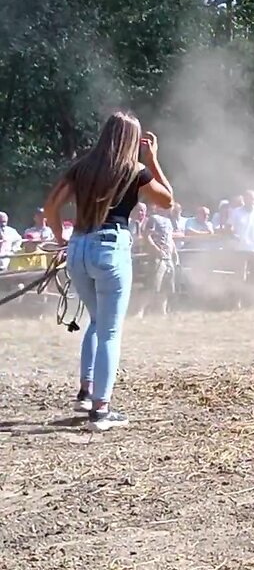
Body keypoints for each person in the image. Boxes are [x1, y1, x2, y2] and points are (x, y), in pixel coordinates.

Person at [43, 112, 174, 432]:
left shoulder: (81, 167)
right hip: (110, 249)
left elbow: (50, 208)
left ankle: (86, 393)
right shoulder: (135, 170)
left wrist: (61, 236)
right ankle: (101, 410)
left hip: (78, 249)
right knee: (110, 332)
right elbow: (168, 200)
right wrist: (153, 159)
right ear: (133, 139)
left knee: (97, 321)